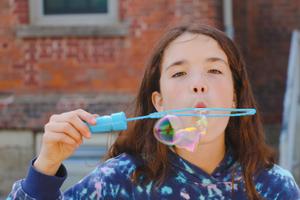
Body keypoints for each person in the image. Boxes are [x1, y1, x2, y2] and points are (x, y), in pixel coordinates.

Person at [8, 23, 300, 200]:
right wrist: (45, 166)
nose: (198, 84)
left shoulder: (273, 186)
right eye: (179, 73)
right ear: (159, 103)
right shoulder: (121, 181)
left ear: (235, 98)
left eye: (213, 70)